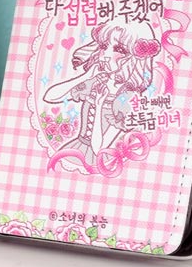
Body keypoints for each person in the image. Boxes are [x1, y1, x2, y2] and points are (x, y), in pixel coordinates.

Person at [44, 19, 160, 170]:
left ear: (134, 57)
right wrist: (85, 76)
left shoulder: (128, 98)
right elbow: (50, 97)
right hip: (75, 148)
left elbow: (99, 149)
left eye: (119, 49)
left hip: (97, 161)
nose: (106, 55)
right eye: (104, 46)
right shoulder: (97, 81)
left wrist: (99, 107)